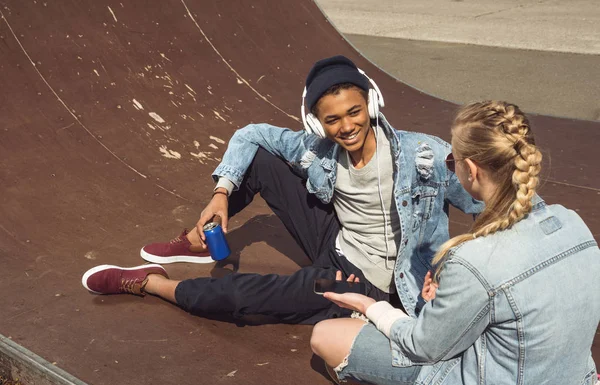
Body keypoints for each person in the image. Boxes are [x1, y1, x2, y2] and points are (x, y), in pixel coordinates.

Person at [81, 55, 481, 325]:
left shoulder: (423, 156)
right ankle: (199, 241)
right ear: (317, 123)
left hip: (369, 280)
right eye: (333, 119)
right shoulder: (319, 148)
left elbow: (487, 201)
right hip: (338, 240)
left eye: (354, 112)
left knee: (249, 297)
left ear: (372, 105)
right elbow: (250, 134)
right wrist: (221, 193)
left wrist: (455, 271)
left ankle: (150, 282)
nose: (346, 127)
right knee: (261, 159)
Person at [310, 101, 600, 385]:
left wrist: (369, 306)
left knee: (326, 335)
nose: (450, 166)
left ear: (471, 170)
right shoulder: (571, 221)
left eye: (452, 161)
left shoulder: (475, 259)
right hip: (565, 382)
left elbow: (422, 346)